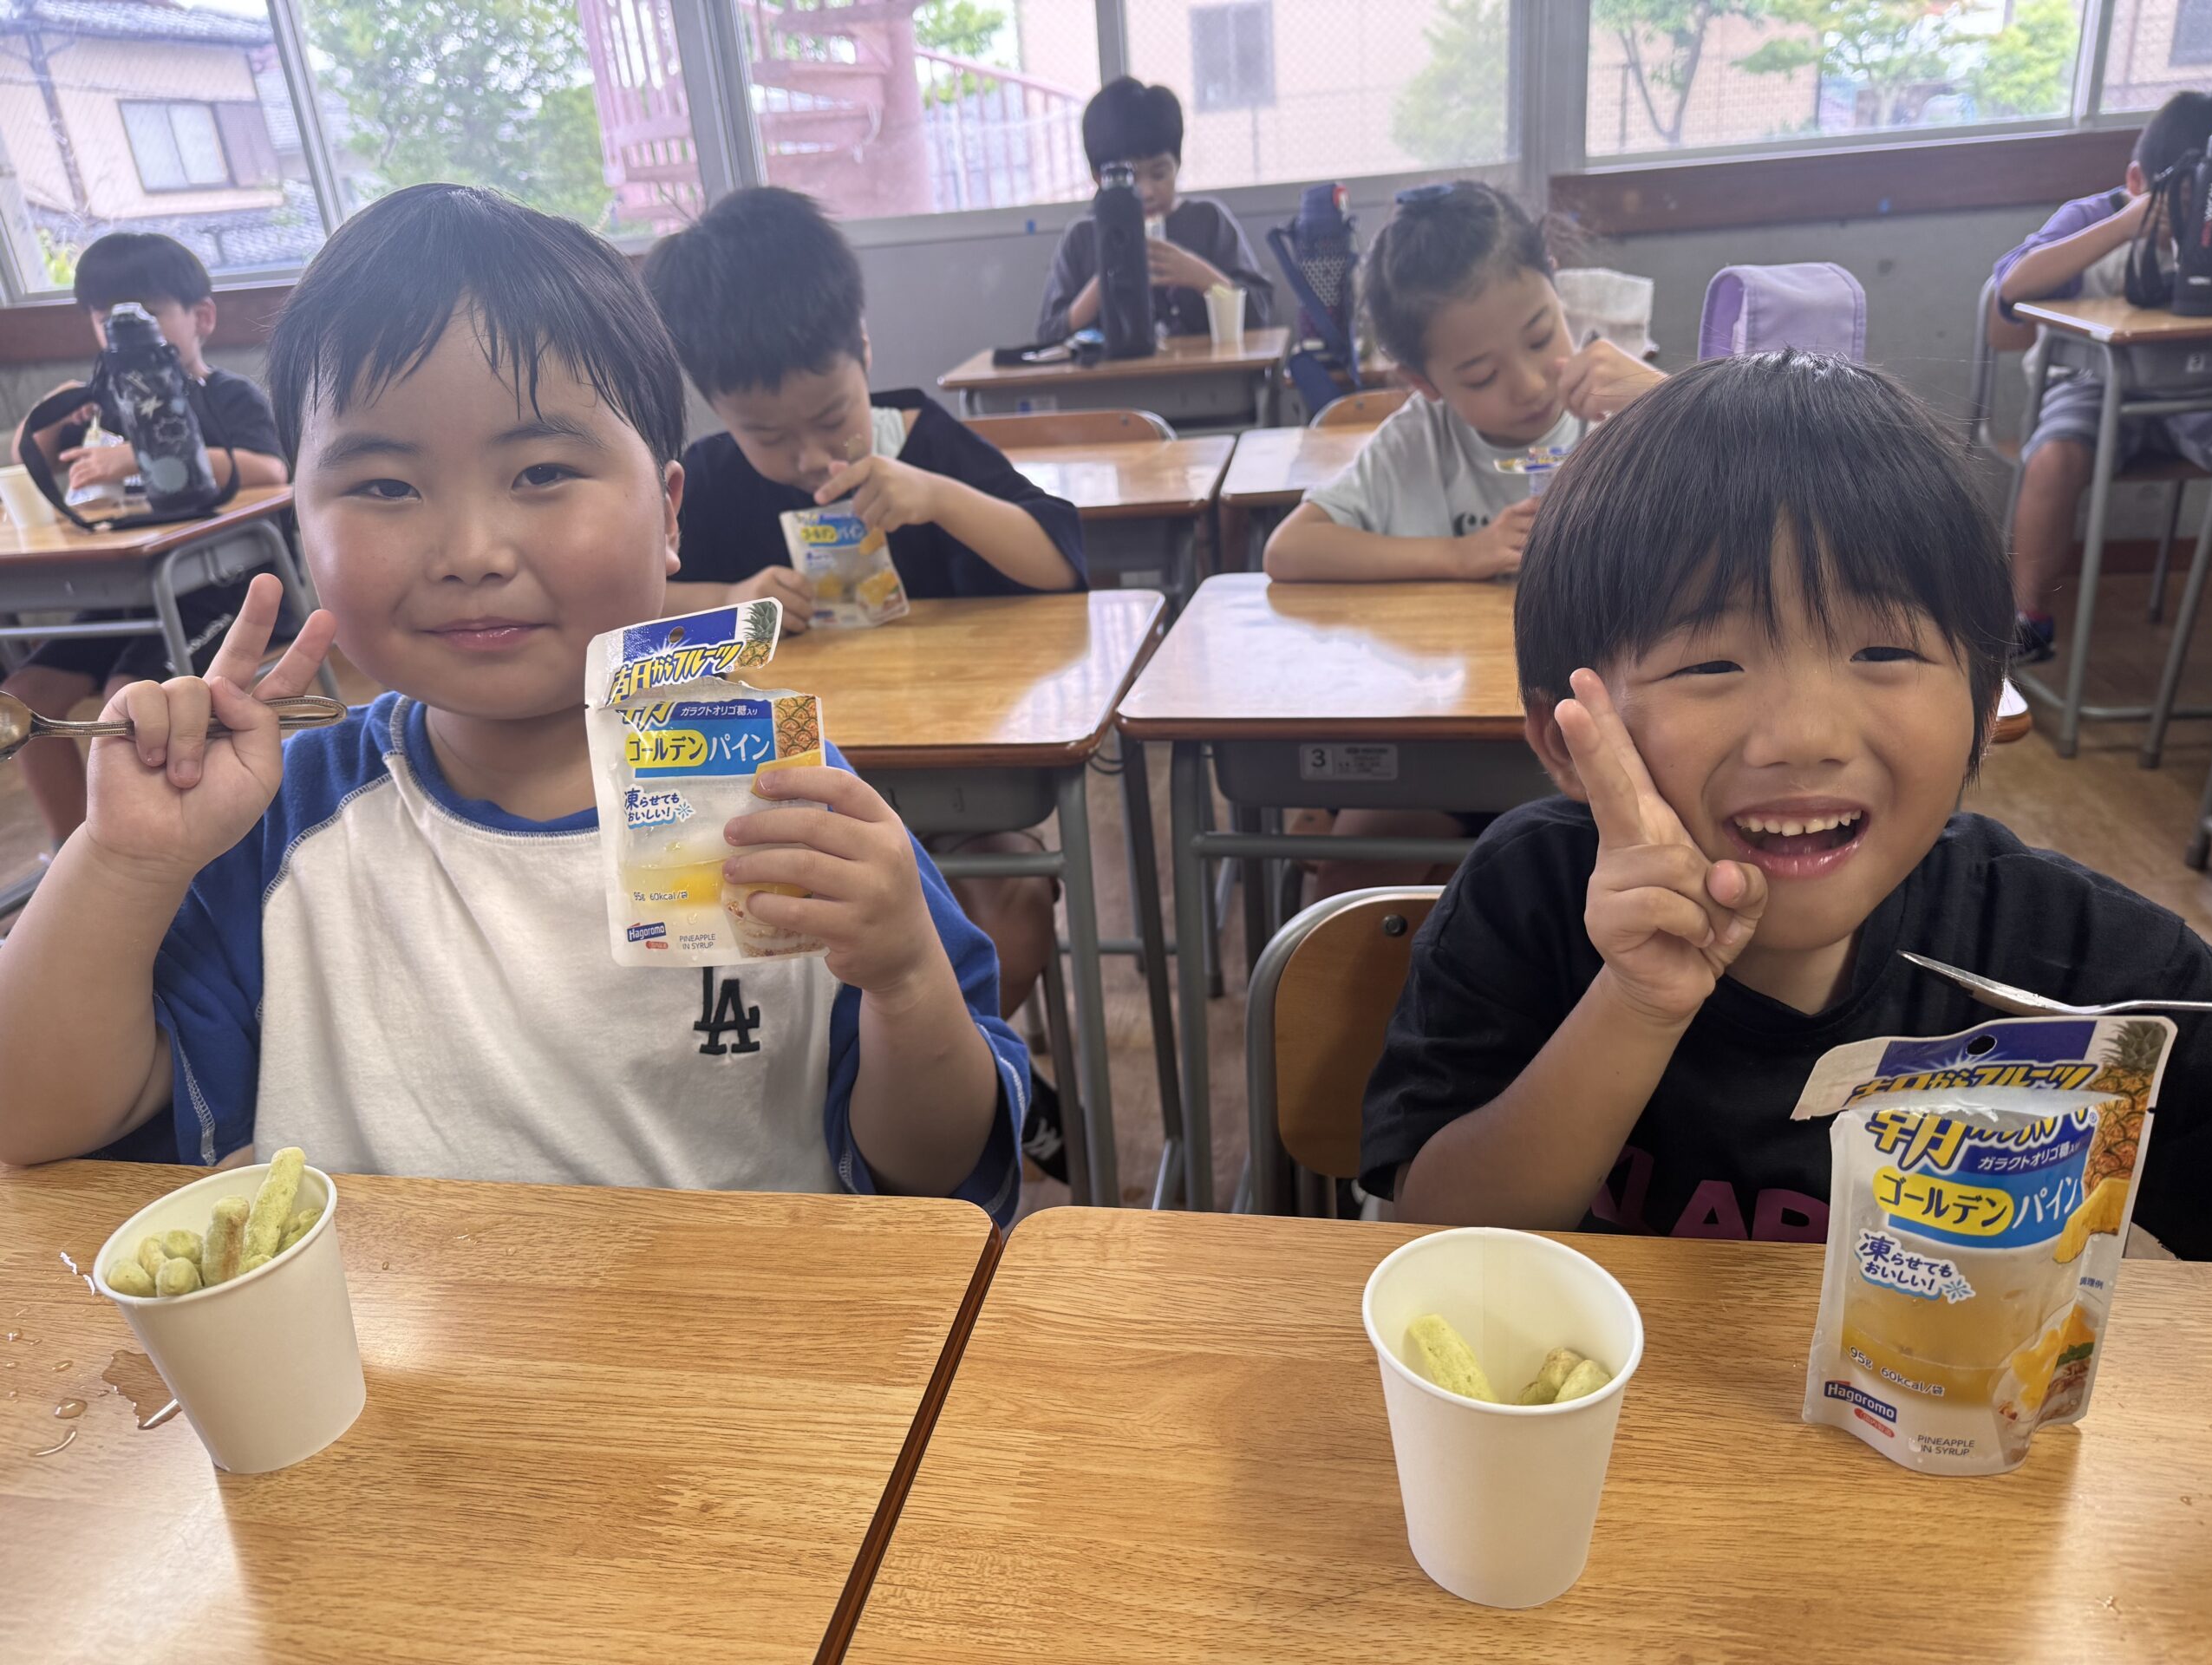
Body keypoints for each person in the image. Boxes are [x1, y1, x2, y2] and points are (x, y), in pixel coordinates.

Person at [0, 185, 1033, 1231]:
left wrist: (906, 981)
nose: (471, 553)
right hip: (381, 1338)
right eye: (385, 487)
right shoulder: (272, 827)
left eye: (540, 471)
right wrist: (122, 866)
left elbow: (933, 1171)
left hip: (750, 1330)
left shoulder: (781, 798)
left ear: (668, 515)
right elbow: (33, 1119)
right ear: (301, 526)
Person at [1359, 350, 2212, 1260]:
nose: (1805, 737)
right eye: (1710, 664)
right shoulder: (1529, 893)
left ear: (1983, 698)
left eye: (1884, 652)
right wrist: (1636, 1002)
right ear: (1569, 740)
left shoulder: (2069, 958)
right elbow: (1441, 1239)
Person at [645, 185, 1086, 1184]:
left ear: (866, 351)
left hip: (950, 797)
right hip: (770, 823)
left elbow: (1062, 562)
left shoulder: (920, 445)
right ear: (717, 411)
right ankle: (829, 1109)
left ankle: (961, 1081)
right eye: (767, 436)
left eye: (832, 417)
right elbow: (627, 612)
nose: (810, 458)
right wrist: (729, 599)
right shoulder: (701, 484)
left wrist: (937, 499)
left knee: (1015, 902)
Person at [1263, 181, 1664, 898]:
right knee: (1343, 887)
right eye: (1480, 375)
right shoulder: (1418, 444)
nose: (1529, 383)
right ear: (1425, 382)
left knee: (1618, 884)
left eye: (1541, 336)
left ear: (1555, 284)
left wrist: (1665, 402)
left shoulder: (1626, 410)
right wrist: (1461, 555)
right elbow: (1289, 551)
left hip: (1613, 746)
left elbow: (1770, 503)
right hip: (1446, 752)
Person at [3, 232, 290, 845]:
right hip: (131, 595)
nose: (124, 328)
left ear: (201, 317)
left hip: (221, 589)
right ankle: (75, 852)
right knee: (22, 699)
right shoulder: (101, 408)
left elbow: (270, 471)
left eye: (147, 312)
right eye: (106, 318)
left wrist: (141, 455)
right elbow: (27, 458)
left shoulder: (227, 396)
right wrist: (56, 413)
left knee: (130, 698)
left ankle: (160, 848)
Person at [1991, 90, 2212, 664]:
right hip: (2088, 384)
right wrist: (2123, 226)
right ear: (2137, 180)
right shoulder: (2092, 216)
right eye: (2180, 204)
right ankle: (2027, 619)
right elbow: (2011, 289)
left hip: (2197, 390)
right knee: (2052, 459)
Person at [1035, 76, 1274, 343]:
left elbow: (1261, 313)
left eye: (1159, 174)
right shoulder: (1083, 237)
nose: (1146, 192)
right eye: (1128, 178)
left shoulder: (1208, 220)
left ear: (1178, 165)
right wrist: (1104, 282)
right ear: (1098, 177)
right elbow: (1047, 336)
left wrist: (1198, 275)